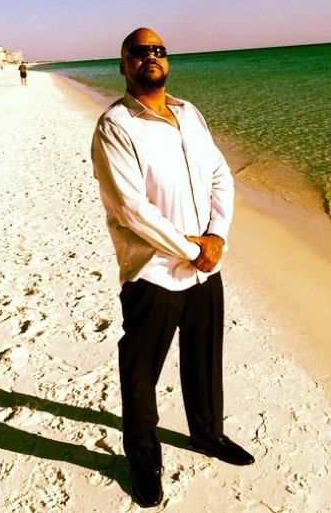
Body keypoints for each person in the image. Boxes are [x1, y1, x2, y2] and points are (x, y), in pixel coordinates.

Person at [91, 27, 254, 507]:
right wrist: (190, 247)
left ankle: (208, 435)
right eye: (138, 52)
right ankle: (143, 461)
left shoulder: (189, 114)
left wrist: (216, 238)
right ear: (123, 65)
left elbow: (220, 175)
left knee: (205, 360)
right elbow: (132, 210)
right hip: (153, 271)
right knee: (141, 373)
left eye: (158, 50)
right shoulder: (116, 125)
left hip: (204, 265)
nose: (150, 57)